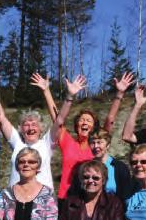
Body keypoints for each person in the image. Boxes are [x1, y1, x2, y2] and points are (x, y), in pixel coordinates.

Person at [51, 72, 135, 200]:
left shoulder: (96, 144)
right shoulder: (68, 143)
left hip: (89, 197)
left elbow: (110, 119)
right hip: (67, 198)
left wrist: (119, 94)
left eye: (89, 120)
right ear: (76, 124)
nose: (84, 122)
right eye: (81, 120)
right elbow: (58, 120)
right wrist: (47, 90)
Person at [0, 62, 59, 190]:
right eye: (26, 125)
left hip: (41, 204)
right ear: (21, 130)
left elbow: (58, 121)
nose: (30, 127)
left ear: (41, 129)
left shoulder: (46, 143)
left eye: (34, 124)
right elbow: (0, 116)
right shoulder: (18, 143)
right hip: (15, 200)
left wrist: (46, 91)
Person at [69, 129, 132, 200]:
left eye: (99, 142)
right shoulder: (84, 168)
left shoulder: (119, 167)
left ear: (108, 145)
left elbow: (126, 195)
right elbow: (75, 193)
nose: (96, 146)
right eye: (92, 143)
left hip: (114, 209)